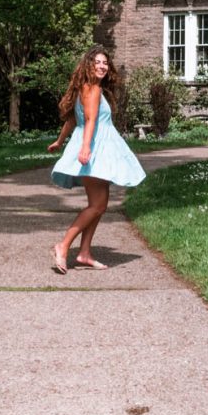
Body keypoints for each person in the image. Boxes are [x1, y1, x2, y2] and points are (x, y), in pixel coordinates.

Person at [47, 46, 146, 273]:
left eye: (105, 63)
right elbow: (89, 120)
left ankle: (84, 253)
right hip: (95, 149)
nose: (102, 66)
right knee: (96, 205)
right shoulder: (91, 89)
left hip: (97, 147)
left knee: (99, 206)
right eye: (97, 62)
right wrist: (84, 148)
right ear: (88, 65)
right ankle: (63, 246)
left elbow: (72, 120)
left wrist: (59, 142)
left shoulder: (88, 88)